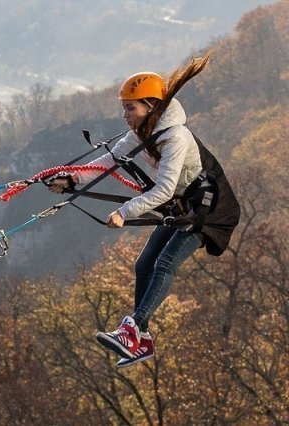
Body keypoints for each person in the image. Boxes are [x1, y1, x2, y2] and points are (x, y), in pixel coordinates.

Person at [48, 57, 240, 368]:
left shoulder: (175, 137)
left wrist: (125, 212)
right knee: (145, 263)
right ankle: (142, 342)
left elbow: (163, 190)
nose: (124, 115)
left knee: (165, 262)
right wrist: (71, 179)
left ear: (150, 106)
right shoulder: (142, 133)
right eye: (124, 107)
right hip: (185, 206)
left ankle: (133, 328)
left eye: (130, 108)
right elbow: (107, 162)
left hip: (210, 210)